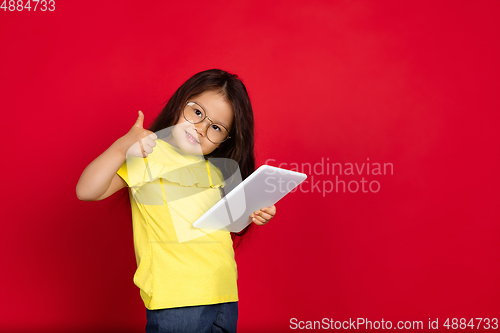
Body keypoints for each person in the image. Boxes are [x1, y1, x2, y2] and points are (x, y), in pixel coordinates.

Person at [76, 69, 276, 333]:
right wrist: (122, 146)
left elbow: (220, 225)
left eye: (215, 127)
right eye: (197, 113)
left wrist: (254, 211)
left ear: (225, 140)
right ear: (182, 101)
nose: (201, 129)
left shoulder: (215, 171)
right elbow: (87, 190)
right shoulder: (150, 155)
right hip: (177, 296)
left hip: (224, 292)